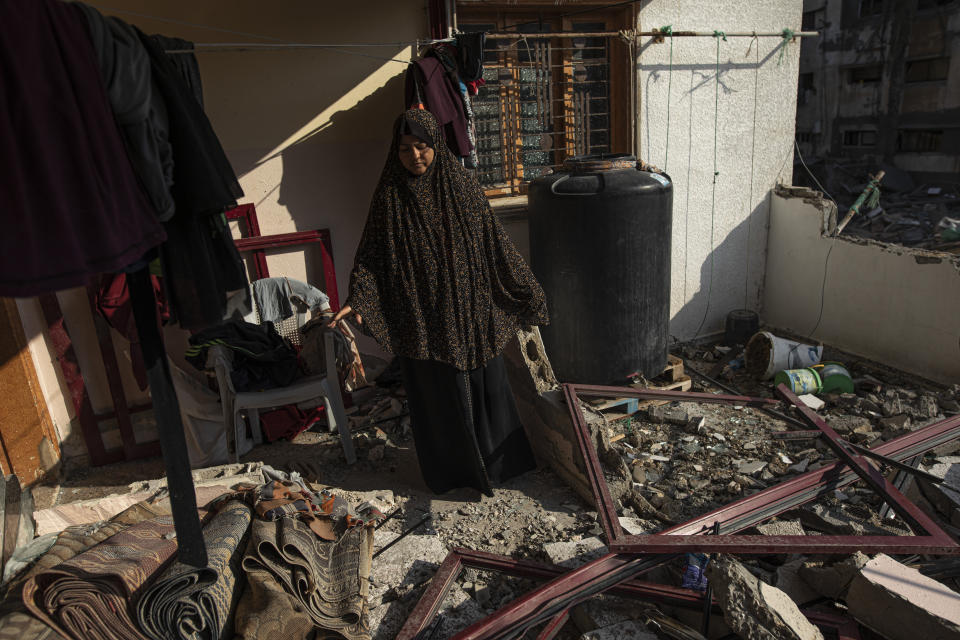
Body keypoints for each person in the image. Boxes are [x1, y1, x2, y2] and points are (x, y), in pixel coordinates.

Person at [330, 109, 549, 496]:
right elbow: (371, 256)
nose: (414, 156)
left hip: (471, 312)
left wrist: (526, 288)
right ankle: (454, 476)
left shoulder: (461, 185)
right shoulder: (390, 197)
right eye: (404, 149)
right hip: (423, 318)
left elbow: (494, 242)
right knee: (438, 395)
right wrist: (360, 298)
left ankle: (502, 467)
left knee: (486, 389)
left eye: (422, 146)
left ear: (436, 146)